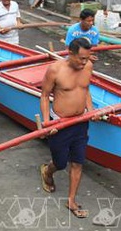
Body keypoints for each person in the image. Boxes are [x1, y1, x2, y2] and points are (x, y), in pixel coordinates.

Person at [39, 37, 94, 219]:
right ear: (70, 53)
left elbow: (85, 90)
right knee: (61, 163)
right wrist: (47, 123)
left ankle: (71, 200)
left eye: (87, 58)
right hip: (60, 123)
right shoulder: (55, 70)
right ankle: (48, 170)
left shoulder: (88, 67)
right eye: (81, 58)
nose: (84, 62)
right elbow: (45, 95)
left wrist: (91, 111)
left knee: (78, 162)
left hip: (80, 122)